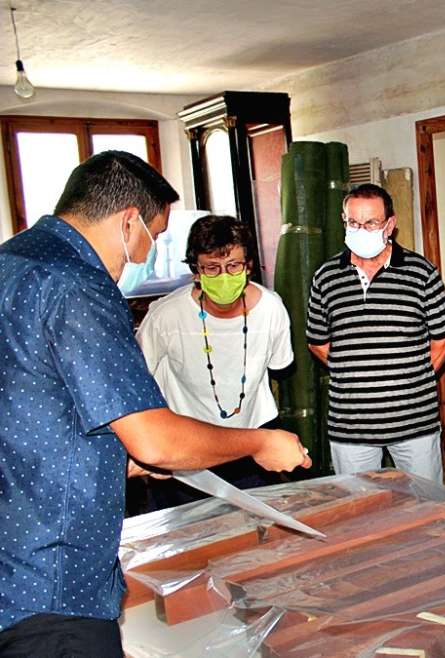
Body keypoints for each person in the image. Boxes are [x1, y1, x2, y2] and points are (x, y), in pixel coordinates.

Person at [0, 151, 309, 658]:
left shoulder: (14, 262)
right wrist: (258, 441)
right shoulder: (79, 284)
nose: (145, 254)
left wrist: (121, 464)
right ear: (128, 221)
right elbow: (157, 440)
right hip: (54, 581)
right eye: (154, 236)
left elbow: (35, 416)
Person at [136, 215, 295, 510]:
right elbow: (133, 385)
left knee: (255, 539)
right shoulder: (165, 317)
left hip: (250, 451)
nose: (224, 275)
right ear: (196, 271)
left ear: (248, 266)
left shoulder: (272, 309)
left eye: (233, 265)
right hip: (185, 456)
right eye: (212, 267)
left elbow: (279, 365)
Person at [307, 183, 445, 482]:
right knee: (360, 514)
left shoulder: (421, 273)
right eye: (353, 222)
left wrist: (412, 378)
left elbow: (444, 337)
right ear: (344, 220)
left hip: (415, 423)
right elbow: (318, 341)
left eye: (371, 222)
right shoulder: (326, 277)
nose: (361, 230)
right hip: (351, 426)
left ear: (390, 224)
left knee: (427, 508)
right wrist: (353, 372)